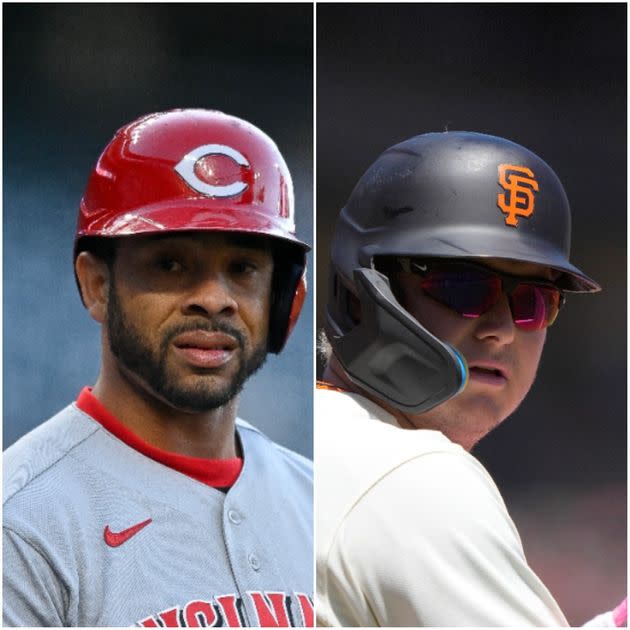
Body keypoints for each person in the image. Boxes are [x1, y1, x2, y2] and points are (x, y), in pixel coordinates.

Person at [3, 109, 313, 628]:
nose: (214, 300)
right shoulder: (24, 523)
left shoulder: (318, 499)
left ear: (282, 299)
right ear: (97, 285)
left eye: (242, 269)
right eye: (170, 263)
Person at [315, 130, 624, 626]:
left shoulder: (297, 449)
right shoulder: (411, 475)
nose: (502, 330)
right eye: (464, 288)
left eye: (534, 303)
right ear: (360, 293)